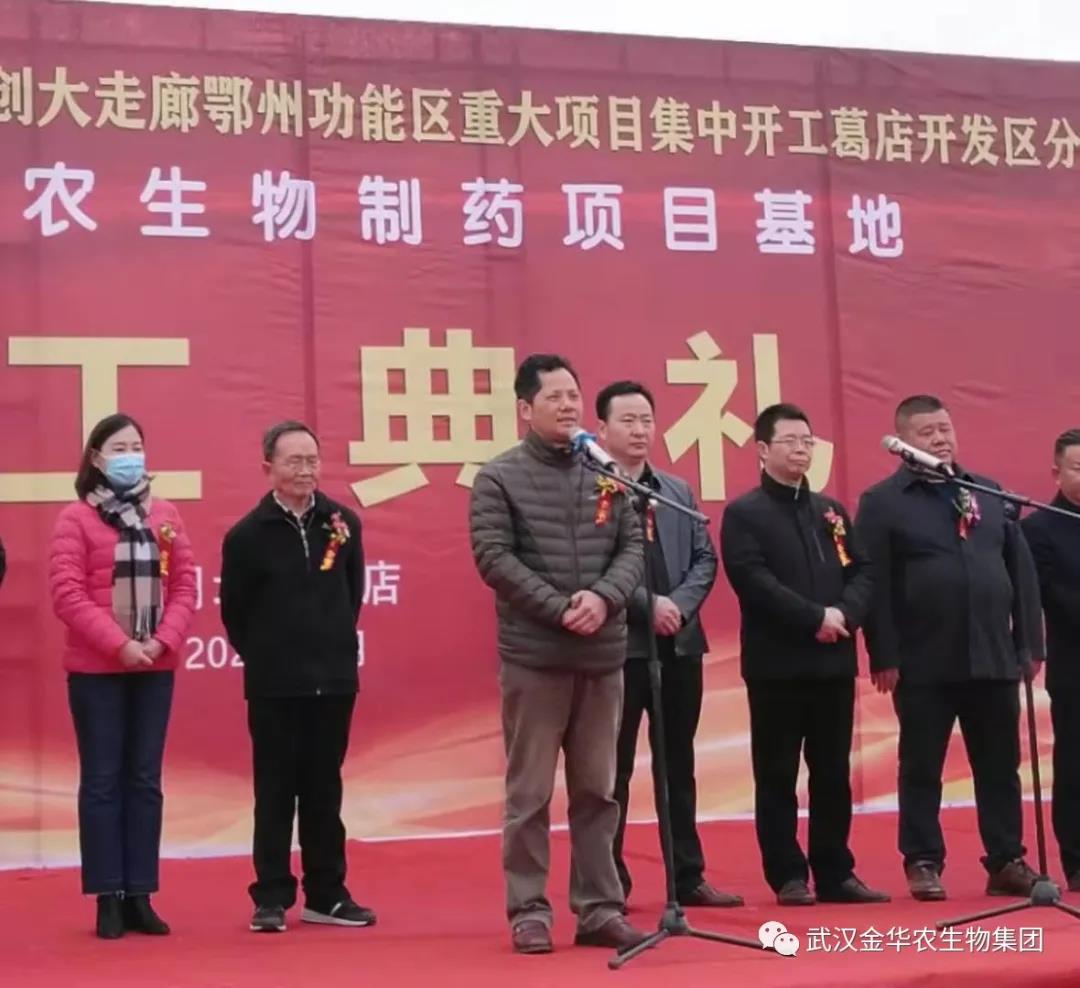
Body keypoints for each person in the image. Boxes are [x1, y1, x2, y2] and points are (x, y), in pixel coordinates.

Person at [469, 355, 648, 955]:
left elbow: (633, 549)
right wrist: (560, 607)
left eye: (574, 395)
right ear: (526, 408)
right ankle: (528, 910)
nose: (569, 405)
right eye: (555, 397)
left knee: (599, 791)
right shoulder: (499, 478)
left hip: (602, 655)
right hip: (536, 657)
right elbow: (494, 557)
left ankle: (599, 908)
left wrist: (603, 599)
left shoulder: (606, 472)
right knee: (530, 795)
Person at [856, 394, 1041, 901]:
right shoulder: (883, 502)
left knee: (999, 765)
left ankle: (1006, 859)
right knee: (921, 766)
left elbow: (1020, 573)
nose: (940, 439)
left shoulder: (986, 491)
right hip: (923, 660)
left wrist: (1028, 643)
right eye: (927, 432)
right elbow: (875, 583)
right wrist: (884, 654)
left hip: (993, 655)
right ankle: (922, 860)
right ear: (902, 441)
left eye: (944, 429)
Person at [721, 403, 887, 906]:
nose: (801, 449)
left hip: (834, 662)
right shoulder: (745, 514)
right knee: (777, 773)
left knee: (833, 772)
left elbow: (864, 571)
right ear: (763, 450)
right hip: (777, 667)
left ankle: (835, 872)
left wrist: (844, 614)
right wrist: (814, 617)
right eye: (790, 441)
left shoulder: (829, 511)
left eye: (807, 441)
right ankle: (788, 874)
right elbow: (753, 580)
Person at [220, 421, 374, 934]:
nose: (306, 470)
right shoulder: (247, 536)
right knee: (275, 791)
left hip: (333, 681)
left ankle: (326, 894)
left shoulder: (342, 523)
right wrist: (271, 658)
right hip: (275, 686)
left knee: (324, 790)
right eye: (294, 461)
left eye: (312, 459)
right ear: (269, 468)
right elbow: (235, 614)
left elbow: (352, 595)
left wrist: (328, 648)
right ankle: (271, 895)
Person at [48, 413, 197, 939]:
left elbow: (185, 586)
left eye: (137, 446)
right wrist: (120, 644)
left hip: (154, 666)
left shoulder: (166, 515)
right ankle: (107, 895)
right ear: (96, 458)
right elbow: (67, 594)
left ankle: (141, 894)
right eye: (119, 448)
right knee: (103, 781)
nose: (130, 456)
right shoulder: (75, 519)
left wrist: (161, 641)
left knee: (145, 781)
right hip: (97, 672)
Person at [594, 380, 741, 910]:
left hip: (679, 646)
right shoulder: (591, 491)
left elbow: (704, 557)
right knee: (611, 772)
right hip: (618, 649)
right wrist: (646, 605)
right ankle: (609, 883)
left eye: (646, 420)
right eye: (627, 420)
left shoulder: (675, 491)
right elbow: (590, 566)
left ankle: (687, 876)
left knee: (678, 765)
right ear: (602, 429)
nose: (639, 430)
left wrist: (677, 605)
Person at [1021, 428, 1080, 891]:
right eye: (1078, 467)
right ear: (1056, 472)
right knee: (1076, 765)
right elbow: (1054, 599)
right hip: (1074, 667)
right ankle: (1077, 861)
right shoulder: (1038, 528)